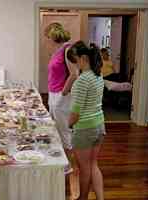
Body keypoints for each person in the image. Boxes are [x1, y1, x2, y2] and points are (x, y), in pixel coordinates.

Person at [67, 41, 105, 200]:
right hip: (99, 126)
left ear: (83, 58)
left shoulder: (82, 80)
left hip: (85, 129)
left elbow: (76, 112)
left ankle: (82, 198)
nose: (75, 65)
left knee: (84, 168)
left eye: (75, 60)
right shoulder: (98, 75)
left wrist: (68, 124)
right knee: (93, 164)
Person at [45, 22, 79, 173]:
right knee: (56, 130)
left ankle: (67, 167)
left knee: (64, 131)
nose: (47, 40)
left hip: (61, 96)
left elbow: (74, 74)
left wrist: (63, 93)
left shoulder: (67, 49)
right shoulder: (57, 51)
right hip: (53, 94)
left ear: (53, 37)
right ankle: (60, 162)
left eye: (48, 37)